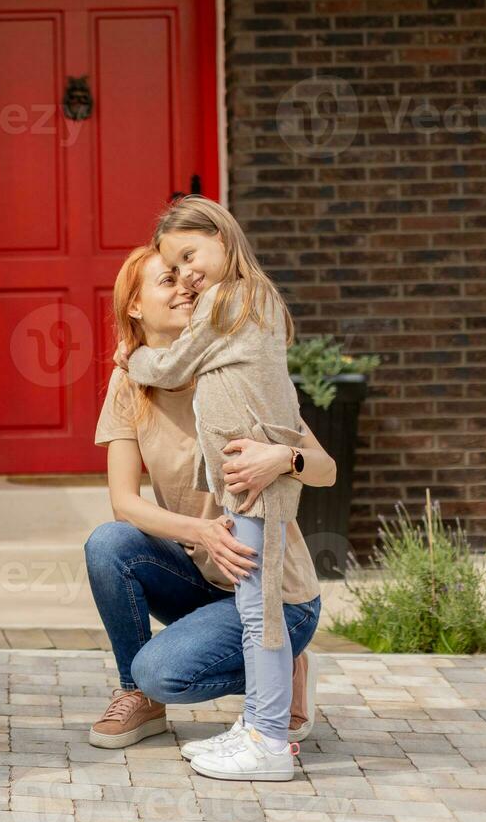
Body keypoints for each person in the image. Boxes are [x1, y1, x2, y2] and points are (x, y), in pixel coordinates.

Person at [106, 200, 328, 782]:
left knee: (263, 617)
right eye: (169, 275)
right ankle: (255, 723)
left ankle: (268, 727)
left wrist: (284, 455)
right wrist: (201, 530)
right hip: (207, 567)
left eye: (188, 263)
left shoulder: (229, 334)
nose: (185, 283)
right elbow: (124, 503)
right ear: (134, 304)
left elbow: (323, 466)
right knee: (111, 545)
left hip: (269, 553)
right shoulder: (154, 374)